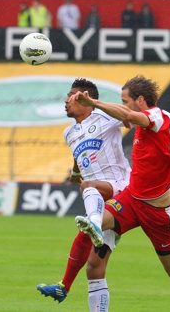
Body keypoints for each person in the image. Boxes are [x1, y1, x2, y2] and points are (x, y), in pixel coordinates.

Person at [69, 75, 170, 311]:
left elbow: (128, 115)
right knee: (92, 225)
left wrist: (94, 104)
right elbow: (127, 115)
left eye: (126, 100)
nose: (123, 105)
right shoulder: (140, 122)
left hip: (158, 211)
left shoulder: (160, 116)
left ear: (140, 100)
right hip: (130, 200)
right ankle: (92, 233)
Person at [37, 78, 131, 311]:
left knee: (89, 188)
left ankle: (94, 225)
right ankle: (64, 286)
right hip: (100, 200)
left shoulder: (105, 117)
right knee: (94, 269)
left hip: (120, 188)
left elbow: (128, 115)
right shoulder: (69, 132)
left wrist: (95, 103)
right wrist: (76, 171)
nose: (65, 100)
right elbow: (81, 153)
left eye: (70, 95)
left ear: (84, 97)